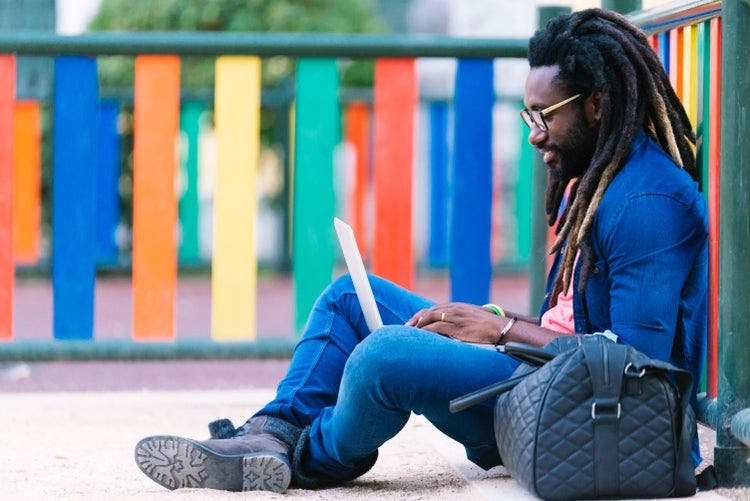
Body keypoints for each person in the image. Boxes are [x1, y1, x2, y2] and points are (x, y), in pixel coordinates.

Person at [134, 8, 707, 493]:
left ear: (599, 105)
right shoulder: (601, 179)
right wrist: (500, 321)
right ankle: (271, 433)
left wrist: (504, 333)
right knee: (349, 300)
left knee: (388, 355)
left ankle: (304, 460)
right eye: (528, 115)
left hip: (579, 417)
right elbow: (577, 325)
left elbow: (634, 365)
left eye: (544, 116)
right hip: (547, 380)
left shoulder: (648, 203)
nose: (535, 134)